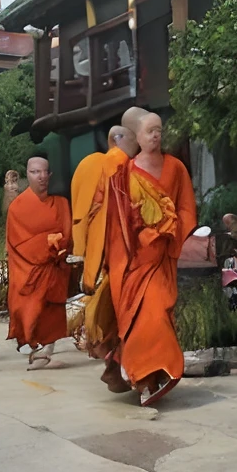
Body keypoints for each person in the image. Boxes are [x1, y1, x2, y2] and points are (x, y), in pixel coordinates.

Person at [103, 110, 194, 406]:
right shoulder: (125, 173)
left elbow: (185, 208)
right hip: (136, 261)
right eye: (149, 131)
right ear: (135, 137)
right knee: (146, 317)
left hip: (163, 254)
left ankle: (153, 375)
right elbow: (118, 223)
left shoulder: (176, 168)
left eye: (159, 130)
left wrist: (172, 231)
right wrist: (136, 242)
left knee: (159, 313)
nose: (156, 135)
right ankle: (146, 378)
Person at [71, 121, 140, 391]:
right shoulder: (124, 166)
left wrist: (82, 251)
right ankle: (124, 368)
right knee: (124, 313)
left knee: (110, 313)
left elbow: (81, 214)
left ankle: (116, 367)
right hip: (120, 253)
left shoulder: (88, 164)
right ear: (121, 140)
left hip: (98, 256)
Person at [5, 156, 73, 367]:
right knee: (28, 310)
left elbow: (67, 235)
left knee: (51, 310)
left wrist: (57, 247)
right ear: (28, 174)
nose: (41, 177)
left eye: (45, 172)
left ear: (50, 175)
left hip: (54, 267)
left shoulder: (61, 204)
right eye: (35, 172)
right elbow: (19, 241)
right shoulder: (17, 207)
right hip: (28, 268)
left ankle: (46, 349)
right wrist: (47, 243)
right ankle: (33, 344)